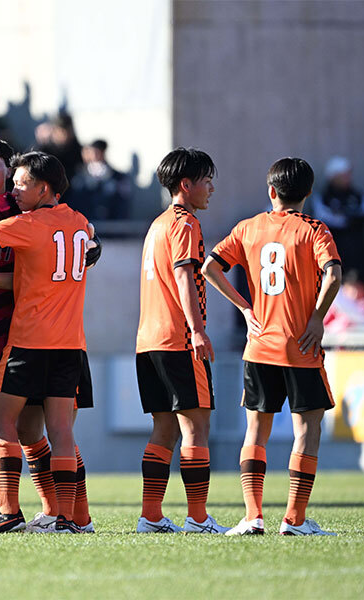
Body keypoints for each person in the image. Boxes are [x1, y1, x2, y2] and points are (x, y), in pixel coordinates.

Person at [203, 157, 342, 536]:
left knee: (256, 432)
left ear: (271, 191)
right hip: (301, 344)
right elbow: (333, 273)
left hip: (259, 345)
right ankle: (294, 520)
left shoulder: (249, 227)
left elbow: (209, 268)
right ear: (309, 193)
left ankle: (252, 517)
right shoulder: (314, 229)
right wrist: (316, 317)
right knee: (307, 428)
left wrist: (245, 308)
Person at [0, 151, 93, 534]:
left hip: (28, 342)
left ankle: (7, 509)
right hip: (70, 343)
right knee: (60, 431)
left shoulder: (28, 223)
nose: (15, 191)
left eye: (22, 184)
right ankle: (68, 519)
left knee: (0, 420)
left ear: (44, 188)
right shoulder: (81, 223)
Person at [134, 148, 227, 534]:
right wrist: (197, 330)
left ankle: (151, 515)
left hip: (148, 341)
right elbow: (185, 276)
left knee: (165, 429)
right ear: (185, 185)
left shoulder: (157, 224)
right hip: (177, 340)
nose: (211, 188)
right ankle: (198, 517)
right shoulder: (185, 223)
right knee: (196, 428)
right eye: (206, 180)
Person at [309, 156, 364, 280]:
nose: (347, 178)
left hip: (357, 246)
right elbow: (324, 217)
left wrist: (349, 219)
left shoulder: (357, 195)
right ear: (333, 177)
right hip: (335, 248)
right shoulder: (323, 198)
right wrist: (349, 220)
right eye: (343, 175)